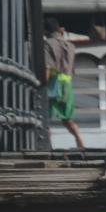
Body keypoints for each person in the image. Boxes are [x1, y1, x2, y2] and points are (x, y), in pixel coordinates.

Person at [43, 17, 86, 151]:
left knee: (44, 119)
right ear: (59, 30)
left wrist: (42, 85)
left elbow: (48, 67)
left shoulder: (47, 44)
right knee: (68, 118)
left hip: (53, 83)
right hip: (66, 84)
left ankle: (48, 146)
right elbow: (72, 69)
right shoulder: (70, 46)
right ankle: (79, 141)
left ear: (45, 31)